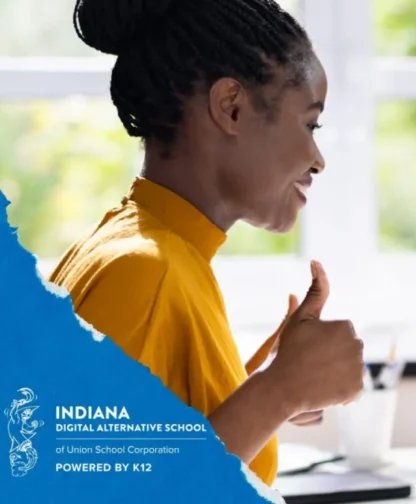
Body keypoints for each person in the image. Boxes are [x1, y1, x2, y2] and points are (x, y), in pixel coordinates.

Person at [47, 0, 365, 486]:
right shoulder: (145, 272)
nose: (317, 159)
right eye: (309, 124)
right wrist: (276, 392)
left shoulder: (151, 249)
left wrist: (269, 390)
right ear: (230, 107)